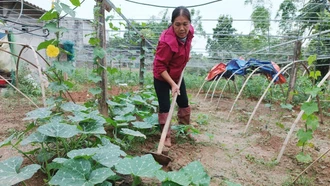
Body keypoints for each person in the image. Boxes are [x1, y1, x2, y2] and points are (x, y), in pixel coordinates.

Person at [153, 6, 194, 147]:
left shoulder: (190, 32)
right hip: (162, 76)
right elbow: (160, 67)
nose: (182, 28)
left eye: (185, 24)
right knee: (165, 106)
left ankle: (184, 130)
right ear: (172, 24)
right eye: (177, 24)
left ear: (189, 23)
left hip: (177, 74)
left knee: (183, 102)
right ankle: (166, 137)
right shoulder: (166, 42)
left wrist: (186, 56)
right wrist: (172, 84)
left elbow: (187, 45)